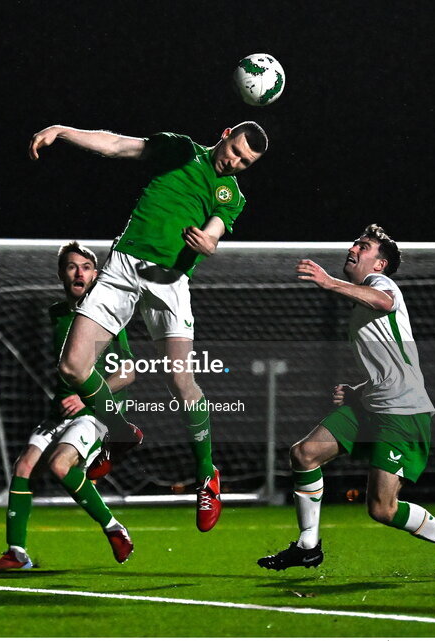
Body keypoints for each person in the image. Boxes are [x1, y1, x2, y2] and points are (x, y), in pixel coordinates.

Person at [28, 122, 268, 532]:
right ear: (225, 134)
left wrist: (209, 241)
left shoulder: (231, 194)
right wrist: (62, 131)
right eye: (234, 151)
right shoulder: (179, 150)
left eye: (245, 162)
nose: (235, 162)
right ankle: (120, 433)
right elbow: (120, 145)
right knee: (72, 367)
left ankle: (207, 475)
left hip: (170, 280)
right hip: (124, 266)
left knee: (181, 381)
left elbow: (216, 227)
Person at [257, 225, 435, 579]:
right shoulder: (362, 300)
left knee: (381, 509)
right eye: (356, 243)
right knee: (304, 453)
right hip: (371, 403)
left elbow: (384, 302)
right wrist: (358, 389)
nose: (354, 248)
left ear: (380, 264)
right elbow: (390, 362)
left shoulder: (382, 285)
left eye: (364, 246)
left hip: (402, 411)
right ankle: (308, 546)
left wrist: (329, 282)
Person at [0, 242, 137, 571]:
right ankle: (17, 553)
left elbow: (128, 371)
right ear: (61, 274)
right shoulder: (57, 314)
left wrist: (85, 396)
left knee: (60, 466)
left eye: (85, 267)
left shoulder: (108, 316)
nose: (79, 272)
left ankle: (114, 528)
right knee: (24, 467)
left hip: (94, 412)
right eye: (71, 266)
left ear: (96, 275)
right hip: (59, 412)